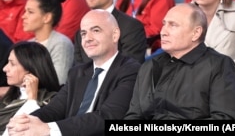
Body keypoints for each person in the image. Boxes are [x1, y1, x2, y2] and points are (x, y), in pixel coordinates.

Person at [6, 9, 141, 136]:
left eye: (95, 30)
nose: (88, 38)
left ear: (115, 35)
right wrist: (26, 122)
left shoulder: (131, 70)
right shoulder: (77, 72)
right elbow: (54, 109)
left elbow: (107, 117)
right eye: (83, 33)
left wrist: (48, 129)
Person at [124, 3, 235, 120]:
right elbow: (133, 116)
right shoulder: (149, 66)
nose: (163, 32)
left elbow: (227, 119)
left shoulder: (220, 66)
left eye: (173, 25)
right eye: (164, 24)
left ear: (196, 33)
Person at [0, 42, 60, 135]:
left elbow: (19, 130)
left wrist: (31, 99)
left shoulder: (50, 101)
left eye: (12, 64)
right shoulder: (9, 96)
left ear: (29, 67)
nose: (5, 68)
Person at [74, 0, 147, 65]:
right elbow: (78, 73)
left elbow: (131, 70)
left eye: (96, 30)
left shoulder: (131, 27)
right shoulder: (80, 33)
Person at [22, 0, 74, 85]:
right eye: (25, 11)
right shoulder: (28, 44)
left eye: (30, 12)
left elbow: (59, 81)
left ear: (47, 17)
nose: (23, 16)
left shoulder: (61, 44)